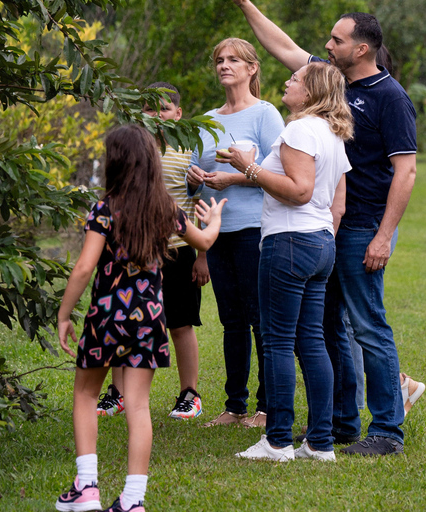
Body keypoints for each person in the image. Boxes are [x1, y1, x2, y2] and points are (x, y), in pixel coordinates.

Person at [233, 0, 421, 455]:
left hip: (364, 227)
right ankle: (339, 425)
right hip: (328, 224)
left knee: (367, 326)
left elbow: (407, 171)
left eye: (336, 40)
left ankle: (388, 432)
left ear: (361, 48)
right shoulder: (330, 81)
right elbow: (280, 44)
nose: (326, 45)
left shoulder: (390, 96)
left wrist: (382, 235)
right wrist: (245, 4)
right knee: (329, 326)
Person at [54, 124, 226, 512]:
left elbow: (84, 268)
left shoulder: (104, 209)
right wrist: (214, 217)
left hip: (107, 315)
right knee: (139, 405)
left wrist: (65, 313)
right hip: (149, 317)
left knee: (85, 395)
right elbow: (205, 241)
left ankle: (87, 489)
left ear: (114, 162)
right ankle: (132, 500)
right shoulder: (166, 208)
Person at [219, 61, 352, 462]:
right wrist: (321, 236)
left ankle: (277, 441)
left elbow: (299, 191)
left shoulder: (298, 129)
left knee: (277, 341)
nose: (287, 82)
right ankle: (320, 443)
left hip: (289, 241)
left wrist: (249, 167)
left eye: (294, 79)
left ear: (310, 92)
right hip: (320, 244)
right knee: (311, 340)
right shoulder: (334, 133)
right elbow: (338, 204)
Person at [186, 37, 285, 428]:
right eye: (219, 60)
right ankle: (234, 406)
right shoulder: (206, 120)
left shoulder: (265, 115)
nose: (224, 65)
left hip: (255, 231)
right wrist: (195, 181)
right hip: (216, 234)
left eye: (233, 60)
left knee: (260, 319)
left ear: (252, 68)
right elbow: (192, 183)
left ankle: (266, 408)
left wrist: (234, 178)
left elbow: (280, 176)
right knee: (231, 322)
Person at [96, 82, 207, 420]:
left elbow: (199, 203)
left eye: (164, 108)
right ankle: (117, 394)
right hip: (133, 254)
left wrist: (202, 256)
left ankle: (190, 394)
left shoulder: (189, 152)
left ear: (178, 113)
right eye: (148, 109)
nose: (156, 115)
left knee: (181, 323)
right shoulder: (133, 151)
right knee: (122, 320)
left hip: (177, 251)